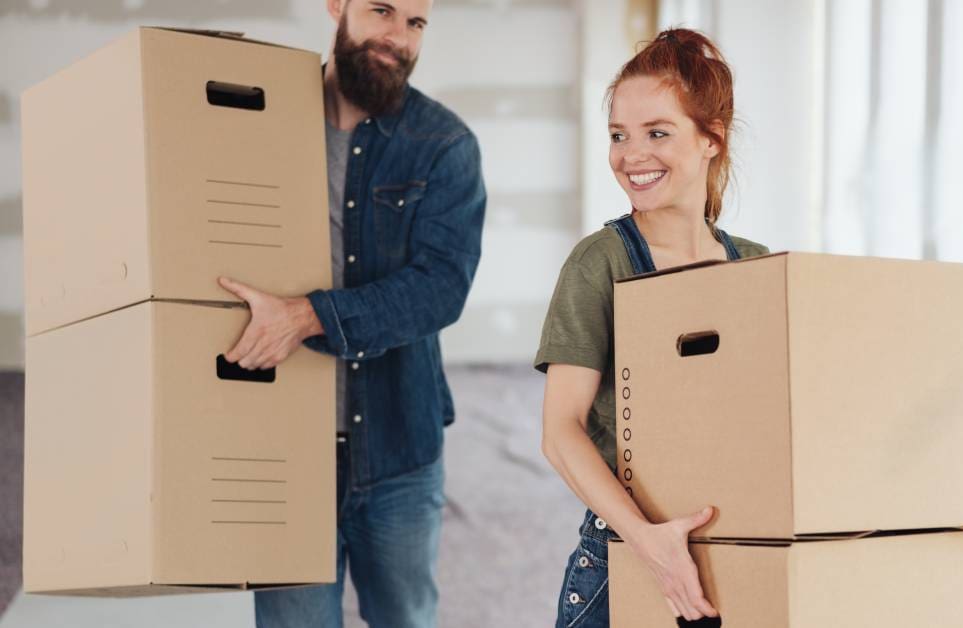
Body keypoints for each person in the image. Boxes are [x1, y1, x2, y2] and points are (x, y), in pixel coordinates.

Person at [217, 0, 486, 625]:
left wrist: (308, 317)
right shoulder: (256, 121)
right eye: (382, 10)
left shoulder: (444, 145)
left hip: (398, 445)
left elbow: (442, 286)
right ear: (336, 5)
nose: (398, 36)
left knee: (406, 617)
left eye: (416, 23)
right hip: (285, 443)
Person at [536, 28, 768, 627]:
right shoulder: (600, 264)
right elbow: (560, 431)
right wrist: (647, 540)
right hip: (624, 553)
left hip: (743, 547)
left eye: (657, 133)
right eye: (618, 135)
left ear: (710, 139)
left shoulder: (759, 267)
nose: (631, 155)